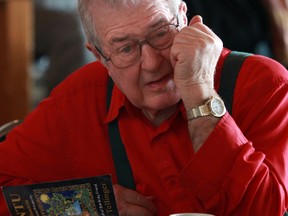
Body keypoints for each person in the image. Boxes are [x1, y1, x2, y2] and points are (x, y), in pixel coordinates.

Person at [0, 0, 287, 215]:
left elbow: (265, 210)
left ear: (184, 17)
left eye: (161, 33)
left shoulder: (264, 84)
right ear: (98, 55)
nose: (151, 63)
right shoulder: (81, 97)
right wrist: (84, 206)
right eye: (125, 48)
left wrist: (200, 94)